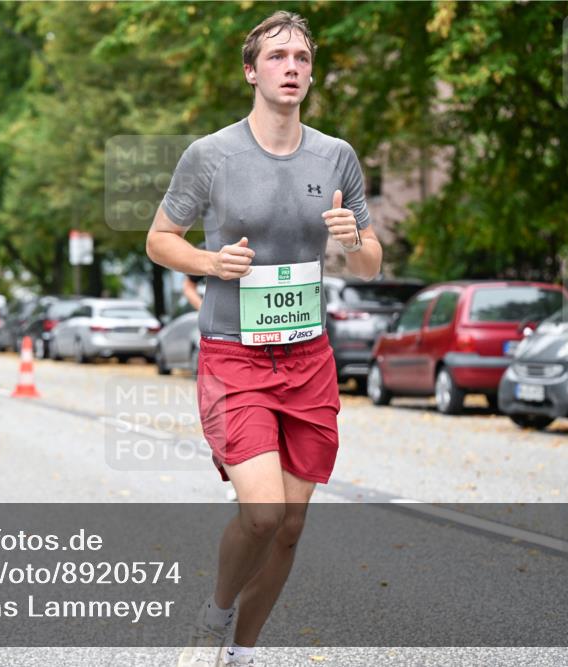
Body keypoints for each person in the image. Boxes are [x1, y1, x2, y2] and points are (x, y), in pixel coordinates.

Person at [145, 12, 383, 666]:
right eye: (278, 57)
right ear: (252, 72)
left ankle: (242, 651)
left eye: (302, 58)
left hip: (308, 359)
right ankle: (215, 615)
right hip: (234, 355)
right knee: (262, 513)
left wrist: (353, 239)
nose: (292, 67)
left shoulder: (336, 156)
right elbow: (160, 240)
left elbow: (371, 262)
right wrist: (210, 262)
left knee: (290, 527)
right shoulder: (211, 155)